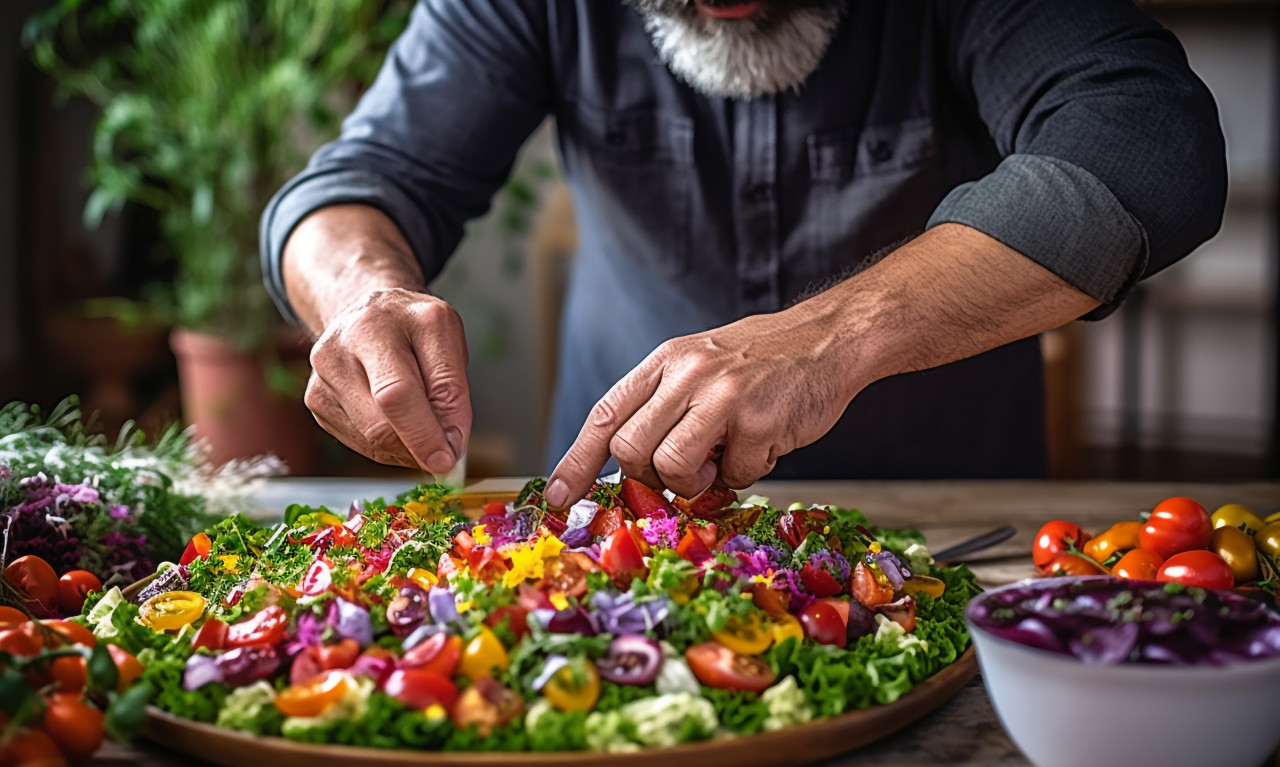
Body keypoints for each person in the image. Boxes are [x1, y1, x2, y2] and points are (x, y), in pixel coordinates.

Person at [261, 0, 1225, 509]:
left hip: (951, 526)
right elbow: (364, 179)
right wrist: (360, 295)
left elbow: (1150, 140)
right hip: (613, 525)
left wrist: (829, 338)